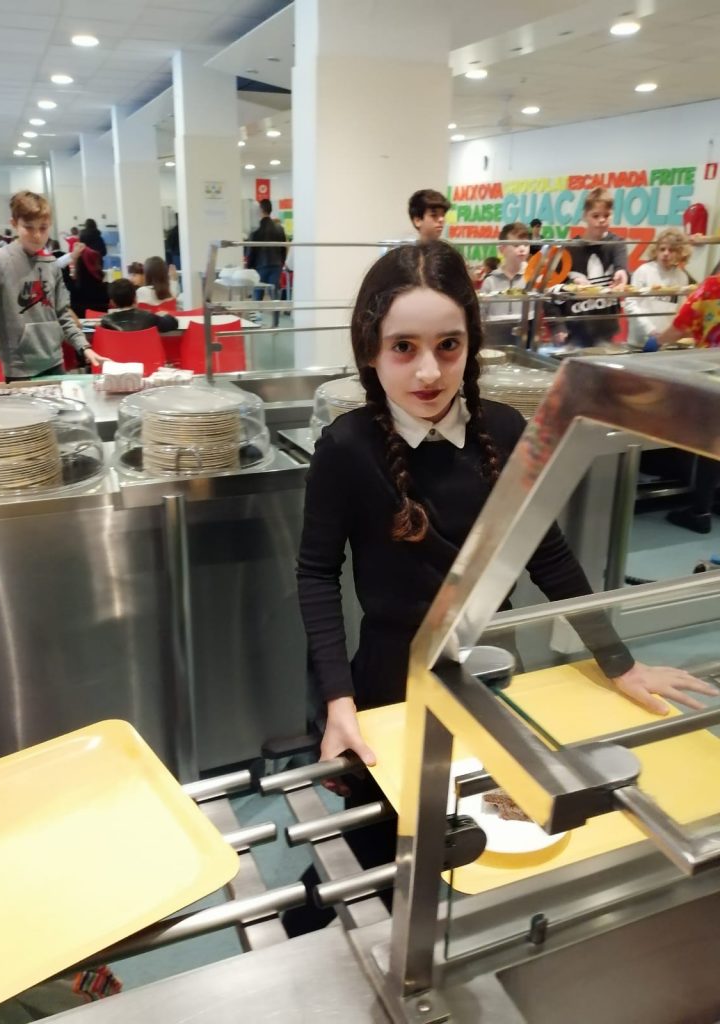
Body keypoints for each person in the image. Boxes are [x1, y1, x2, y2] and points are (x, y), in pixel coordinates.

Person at [289, 243, 715, 932]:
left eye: (448, 346)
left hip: (489, 668)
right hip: (390, 679)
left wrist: (619, 662)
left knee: (483, 822)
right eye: (403, 348)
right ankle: (315, 935)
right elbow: (315, 575)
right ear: (371, 350)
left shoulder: (507, 430)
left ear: (471, 345)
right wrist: (338, 701)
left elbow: (547, 555)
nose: (428, 371)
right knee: (382, 836)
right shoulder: (346, 447)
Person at [0, 191, 101, 381]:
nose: (37, 235)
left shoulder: (51, 263)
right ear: (14, 224)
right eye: (28, 227)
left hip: (55, 362)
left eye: (43, 228)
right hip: (20, 369)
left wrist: (84, 347)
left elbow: (63, 314)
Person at [645, 268, 720, 533]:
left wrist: (656, 343)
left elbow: (680, 326)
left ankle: (700, 511)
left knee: (711, 441)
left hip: (714, 374)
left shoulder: (712, 287)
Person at [554, 187, 628, 348]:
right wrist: (558, 326)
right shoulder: (570, 249)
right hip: (575, 329)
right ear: (584, 216)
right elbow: (553, 288)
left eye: (606, 215)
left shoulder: (617, 243)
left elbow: (621, 265)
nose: (601, 220)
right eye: (595, 216)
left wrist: (621, 272)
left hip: (606, 329)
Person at [624, 229, 691, 347]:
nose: (666, 253)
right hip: (640, 341)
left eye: (671, 250)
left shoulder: (682, 276)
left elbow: (680, 309)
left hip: (666, 342)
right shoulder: (643, 271)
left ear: (680, 253)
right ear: (656, 250)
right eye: (662, 249)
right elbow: (630, 304)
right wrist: (650, 330)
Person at [479, 222, 532, 345]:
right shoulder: (490, 281)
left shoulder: (533, 278)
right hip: (494, 341)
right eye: (516, 245)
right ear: (502, 249)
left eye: (526, 244)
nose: (522, 249)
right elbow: (480, 315)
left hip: (525, 340)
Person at [246, 200, 287, 313]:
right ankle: (276, 320)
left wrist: (249, 267)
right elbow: (283, 249)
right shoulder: (279, 228)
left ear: (260, 210)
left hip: (260, 266)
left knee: (258, 294)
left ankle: (256, 318)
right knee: (275, 295)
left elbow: (251, 251)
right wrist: (281, 263)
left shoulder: (256, 230)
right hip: (276, 265)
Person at [101, 279, 178, 333]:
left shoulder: (106, 321)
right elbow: (173, 323)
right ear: (135, 298)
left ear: (112, 302)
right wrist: (165, 315)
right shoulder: (149, 317)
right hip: (147, 352)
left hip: (115, 352)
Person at [68, 241, 109, 318]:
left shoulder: (71, 290)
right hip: (101, 325)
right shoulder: (107, 290)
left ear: (79, 266)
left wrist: (73, 257)